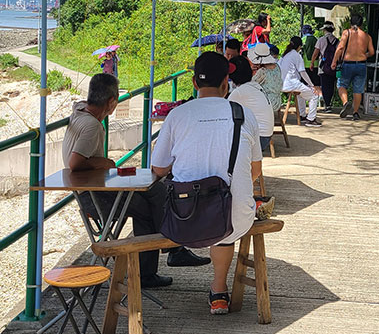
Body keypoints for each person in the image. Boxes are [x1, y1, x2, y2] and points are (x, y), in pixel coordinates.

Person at [61, 73, 207, 289]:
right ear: (111, 102)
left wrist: (103, 165)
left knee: (155, 192)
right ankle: (161, 260)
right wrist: (103, 162)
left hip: (97, 188)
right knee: (150, 206)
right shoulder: (92, 125)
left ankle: (170, 252)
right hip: (94, 197)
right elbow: (75, 163)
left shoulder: (80, 112)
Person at [151, 53, 263, 315]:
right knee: (227, 218)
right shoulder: (243, 115)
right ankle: (219, 290)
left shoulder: (178, 115)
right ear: (227, 83)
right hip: (235, 219)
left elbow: (158, 168)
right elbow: (255, 171)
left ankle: (148, 270)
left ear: (193, 82)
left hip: (183, 220)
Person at [227, 54, 274, 154]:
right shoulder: (254, 85)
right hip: (265, 136)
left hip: (259, 139)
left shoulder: (240, 92)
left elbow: (224, 111)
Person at [332, 13, 375, 120]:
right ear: (361, 23)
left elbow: (340, 47)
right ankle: (355, 112)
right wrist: (364, 55)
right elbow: (372, 52)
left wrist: (334, 61)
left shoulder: (347, 33)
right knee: (358, 89)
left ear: (351, 22)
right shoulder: (366, 36)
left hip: (348, 64)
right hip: (361, 65)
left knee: (341, 85)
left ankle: (346, 102)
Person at [280, 36, 322, 126]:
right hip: (292, 83)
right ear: (299, 46)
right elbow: (302, 72)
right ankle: (311, 119)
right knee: (314, 95)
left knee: (300, 94)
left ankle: (302, 115)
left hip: (282, 83)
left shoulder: (284, 55)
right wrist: (312, 85)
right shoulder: (296, 55)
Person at [248, 43, 284, 112]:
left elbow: (251, 84)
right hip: (277, 101)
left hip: (266, 102)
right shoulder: (277, 67)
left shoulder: (263, 71)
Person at [311, 22, 338, 111]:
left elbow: (315, 53)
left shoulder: (321, 40)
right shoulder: (337, 40)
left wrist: (312, 63)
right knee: (331, 85)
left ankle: (327, 105)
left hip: (323, 66)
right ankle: (330, 103)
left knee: (325, 85)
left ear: (324, 30)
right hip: (334, 66)